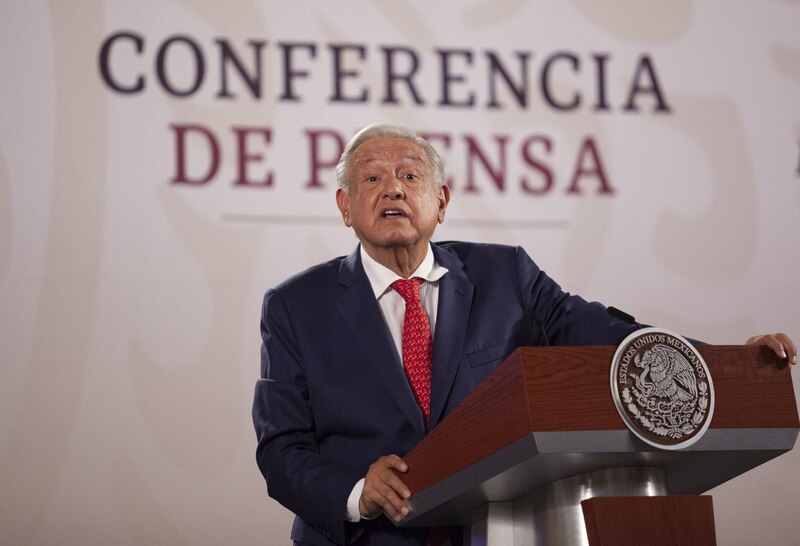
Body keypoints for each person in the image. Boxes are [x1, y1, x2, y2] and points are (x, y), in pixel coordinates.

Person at [252, 122, 797, 546]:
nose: (392, 187)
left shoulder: (506, 275)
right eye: (371, 178)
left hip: (500, 533)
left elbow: (600, 332)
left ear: (441, 201)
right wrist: (356, 494)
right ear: (345, 207)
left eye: (410, 175)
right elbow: (282, 450)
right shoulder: (295, 307)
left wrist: (717, 365)